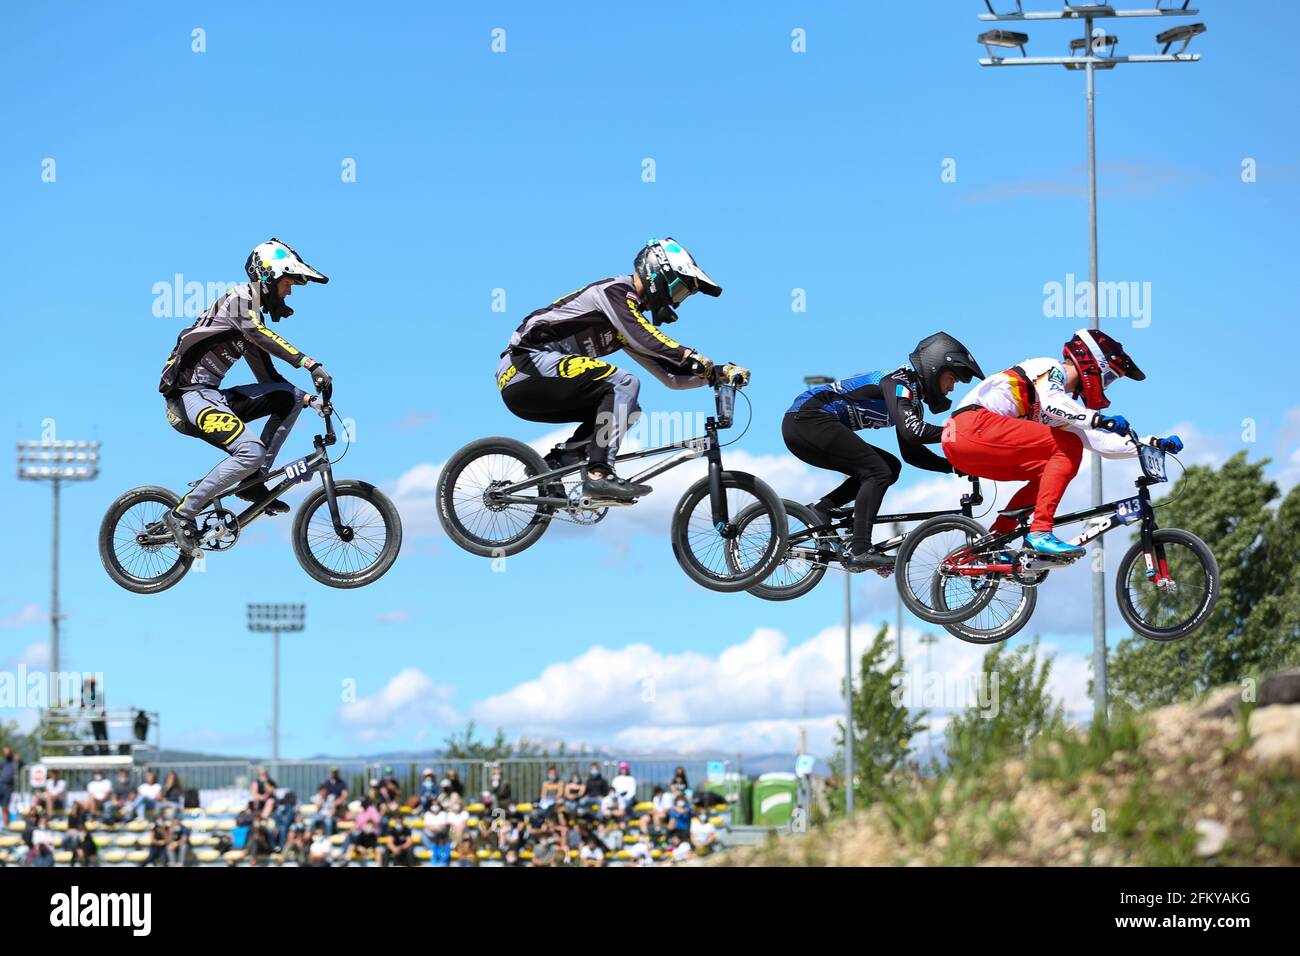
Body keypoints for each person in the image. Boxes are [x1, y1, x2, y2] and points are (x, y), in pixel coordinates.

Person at [495, 237, 748, 502]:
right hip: (526, 365)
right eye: (679, 291)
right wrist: (689, 354)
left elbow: (672, 377)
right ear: (658, 274)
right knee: (623, 383)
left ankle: (555, 465)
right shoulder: (615, 292)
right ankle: (599, 475)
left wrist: (716, 374)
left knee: (627, 408)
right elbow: (644, 336)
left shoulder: (625, 323)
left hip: (540, 383)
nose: (676, 302)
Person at [157, 238, 332, 553]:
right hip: (189, 398)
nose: (290, 291)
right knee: (250, 450)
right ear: (268, 276)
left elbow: (269, 379)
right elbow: (258, 334)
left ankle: (254, 483)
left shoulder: (252, 321)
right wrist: (309, 363)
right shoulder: (239, 300)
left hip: (213, 396)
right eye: (288, 283)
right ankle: (182, 513)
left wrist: (309, 400)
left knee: (287, 397)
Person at [944, 328, 1182, 557]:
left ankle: (993, 543)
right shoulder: (1049, 368)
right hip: (969, 427)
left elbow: (1101, 442)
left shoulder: (1060, 411)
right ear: (1093, 362)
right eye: (1109, 376)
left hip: (965, 444)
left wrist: (1151, 443)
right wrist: (1098, 419)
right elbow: (1053, 403)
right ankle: (1040, 532)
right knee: (1067, 446)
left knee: (1052, 471)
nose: (1107, 384)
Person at [784, 332, 984, 570]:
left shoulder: (911, 401)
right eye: (951, 379)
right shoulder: (897, 383)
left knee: (889, 467)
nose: (951, 388)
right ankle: (860, 549)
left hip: (807, 427)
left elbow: (912, 454)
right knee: (877, 471)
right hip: (807, 419)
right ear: (934, 368)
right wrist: (958, 433)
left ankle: (822, 508)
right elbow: (914, 432)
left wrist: (953, 466)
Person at [0, 746, 20, 829]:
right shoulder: (3, 762)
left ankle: (6, 826)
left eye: (7, 751)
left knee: (5, 807)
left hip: (8, 787)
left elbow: (22, 764)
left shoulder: (15, 761)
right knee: (3, 807)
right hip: (1, 785)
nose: (6, 752)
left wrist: (17, 759)